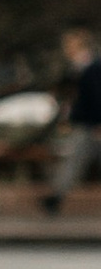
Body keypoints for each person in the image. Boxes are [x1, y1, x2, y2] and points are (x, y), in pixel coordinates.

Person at [40, 28, 101, 215]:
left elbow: (96, 97)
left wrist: (97, 122)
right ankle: (55, 198)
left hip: (90, 124)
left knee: (73, 161)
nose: (65, 49)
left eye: (68, 45)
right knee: (73, 161)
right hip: (86, 123)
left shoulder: (91, 68)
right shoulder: (77, 68)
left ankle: (55, 198)